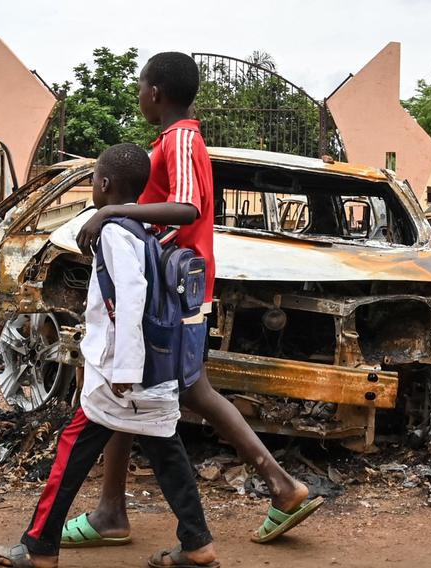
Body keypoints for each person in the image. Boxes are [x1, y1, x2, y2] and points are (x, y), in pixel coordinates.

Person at [68, 52, 322, 548]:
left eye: (140, 87)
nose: (138, 95)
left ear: (156, 93)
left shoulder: (181, 139)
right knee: (148, 387)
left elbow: (187, 208)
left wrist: (115, 211)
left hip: (174, 292)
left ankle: (281, 485)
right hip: (175, 287)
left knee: (167, 388)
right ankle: (112, 509)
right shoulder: (171, 140)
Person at [0, 143, 220, 568]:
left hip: (121, 375)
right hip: (153, 369)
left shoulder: (114, 232)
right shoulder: (143, 230)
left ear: (104, 184)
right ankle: (197, 544)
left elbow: (129, 298)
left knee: (71, 451)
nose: (92, 186)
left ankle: (39, 548)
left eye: (92, 179)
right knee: (168, 453)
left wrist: (125, 369)